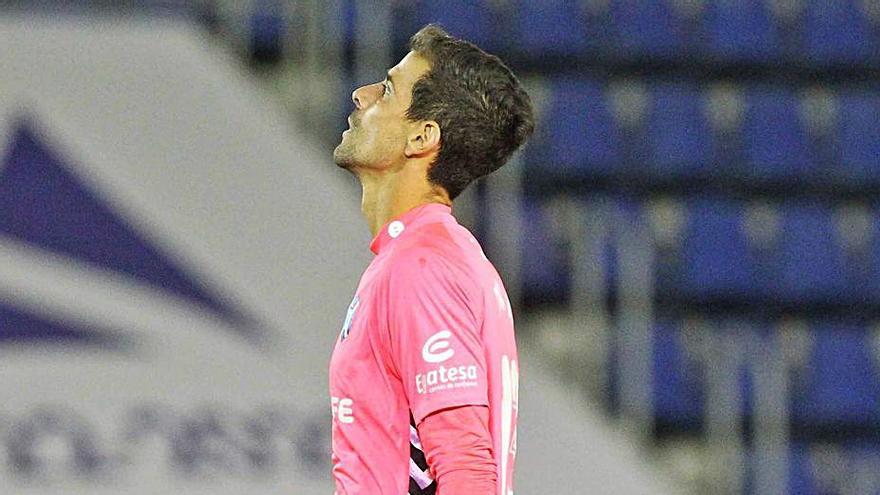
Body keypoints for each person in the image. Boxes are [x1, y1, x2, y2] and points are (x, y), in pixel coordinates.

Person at [329, 24, 534, 495]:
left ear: (421, 137)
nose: (360, 95)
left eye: (385, 90)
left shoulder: (423, 267)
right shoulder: (428, 256)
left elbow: (466, 471)